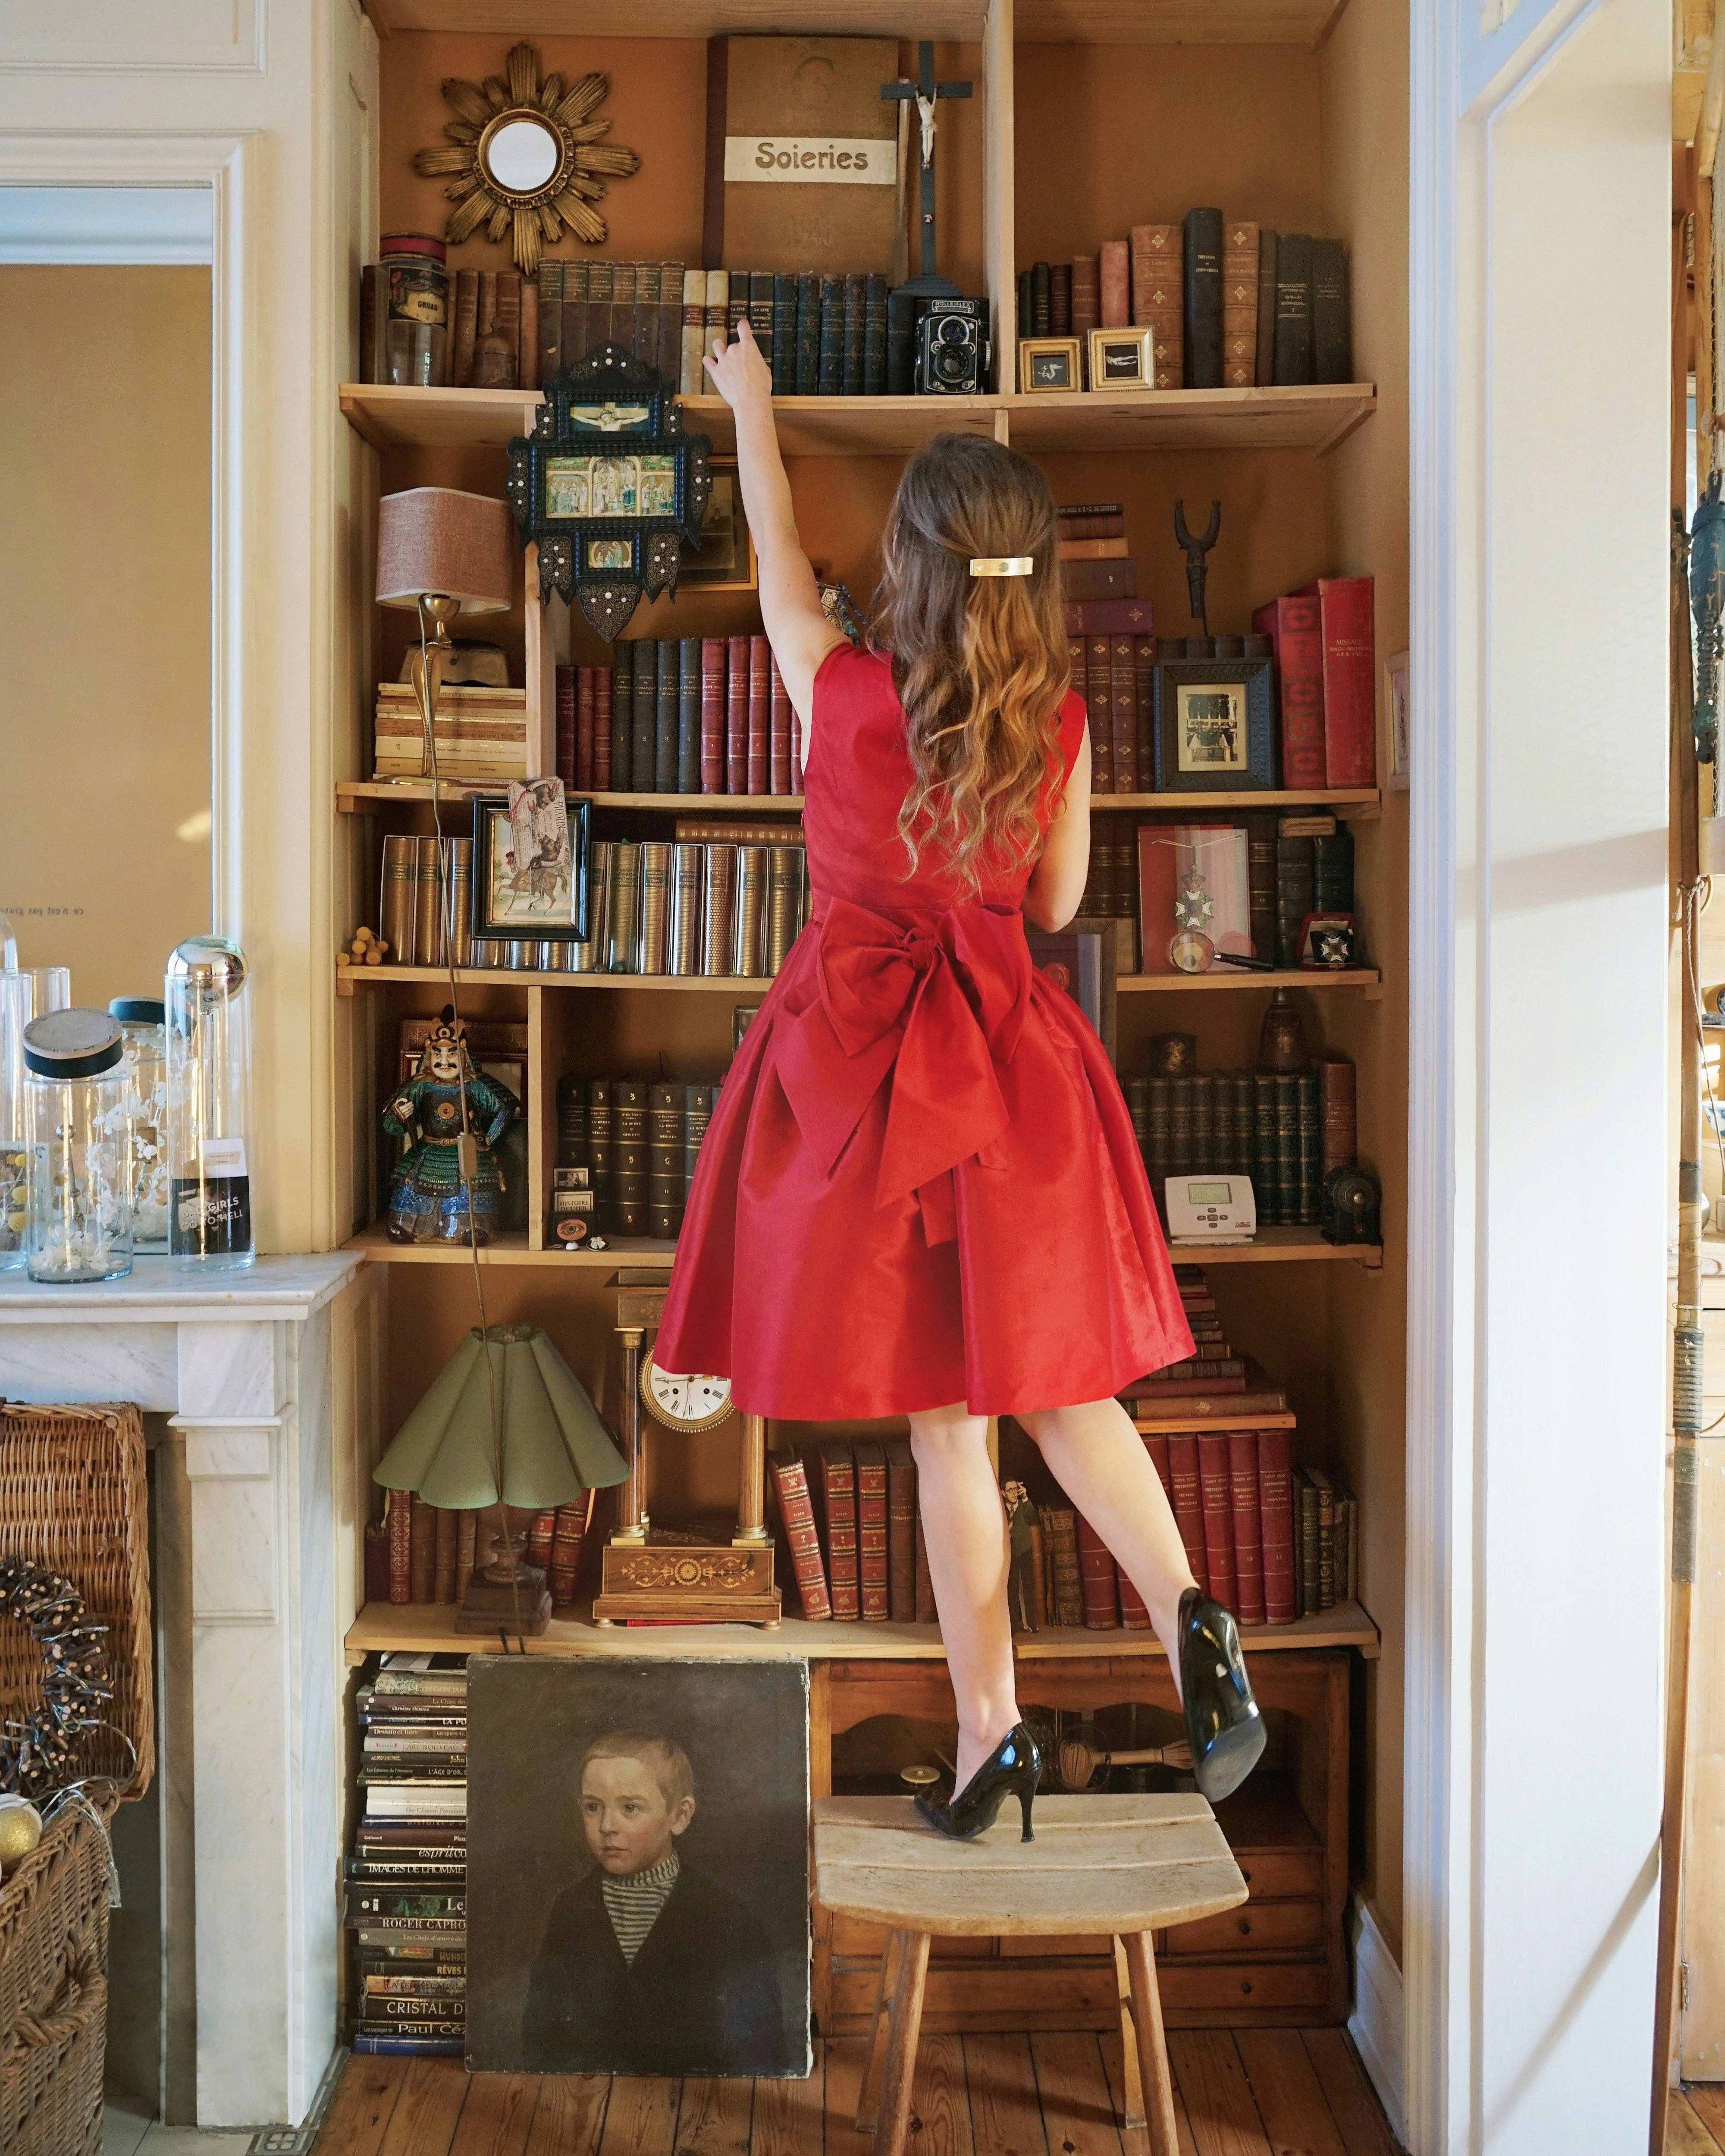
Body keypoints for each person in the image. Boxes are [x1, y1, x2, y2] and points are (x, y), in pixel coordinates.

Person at [655, 318, 1264, 1840]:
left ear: (915, 566)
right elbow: (1055, 909)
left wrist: (754, 403)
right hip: (1012, 1074)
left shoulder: (845, 688)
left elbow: (779, 567)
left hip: (863, 1074)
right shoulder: (1057, 722)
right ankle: (1188, 1600)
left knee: (946, 1421)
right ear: (1032, 571)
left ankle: (992, 1727)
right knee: (1062, 1384)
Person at [520, 1729, 784, 2074]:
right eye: (592, 1807)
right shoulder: (570, 1910)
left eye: (630, 1807)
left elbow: (760, 2054)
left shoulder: (725, 1918)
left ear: (680, 1816)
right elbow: (541, 2042)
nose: (607, 1825)